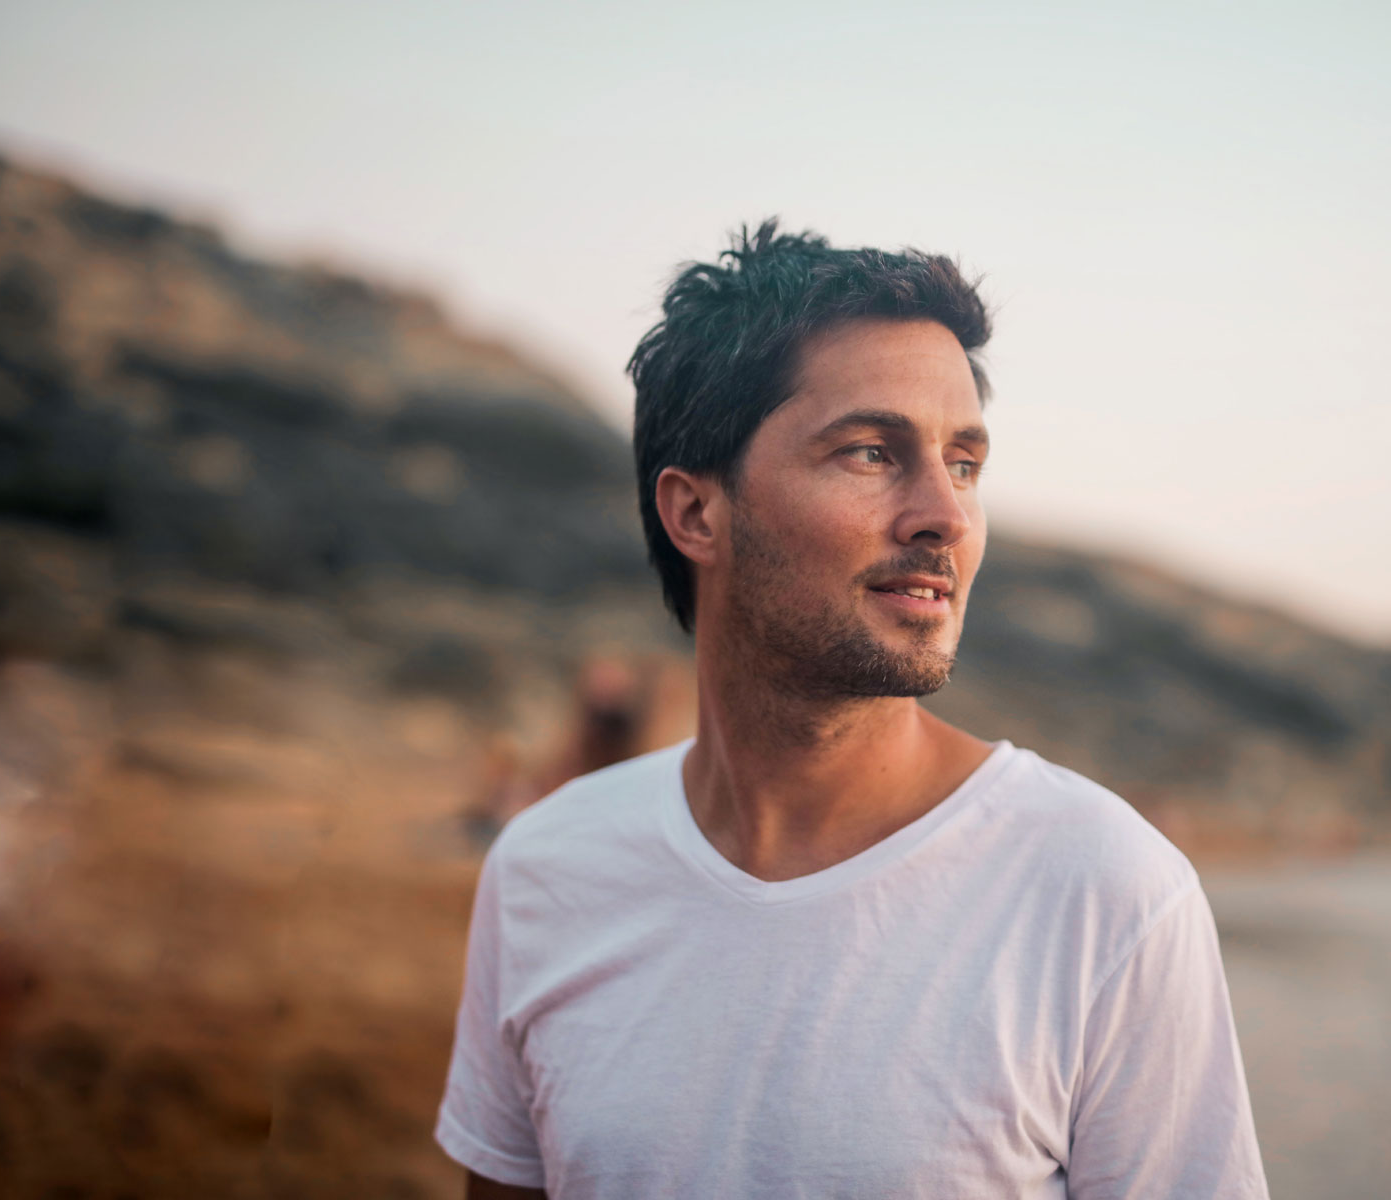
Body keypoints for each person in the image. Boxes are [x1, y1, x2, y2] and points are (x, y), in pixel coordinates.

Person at [435, 222, 1269, 1199]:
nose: (946, 516)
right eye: (873, 452)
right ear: (695, 513)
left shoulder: (1108, 890)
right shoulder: (546, 871)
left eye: (964, 464)